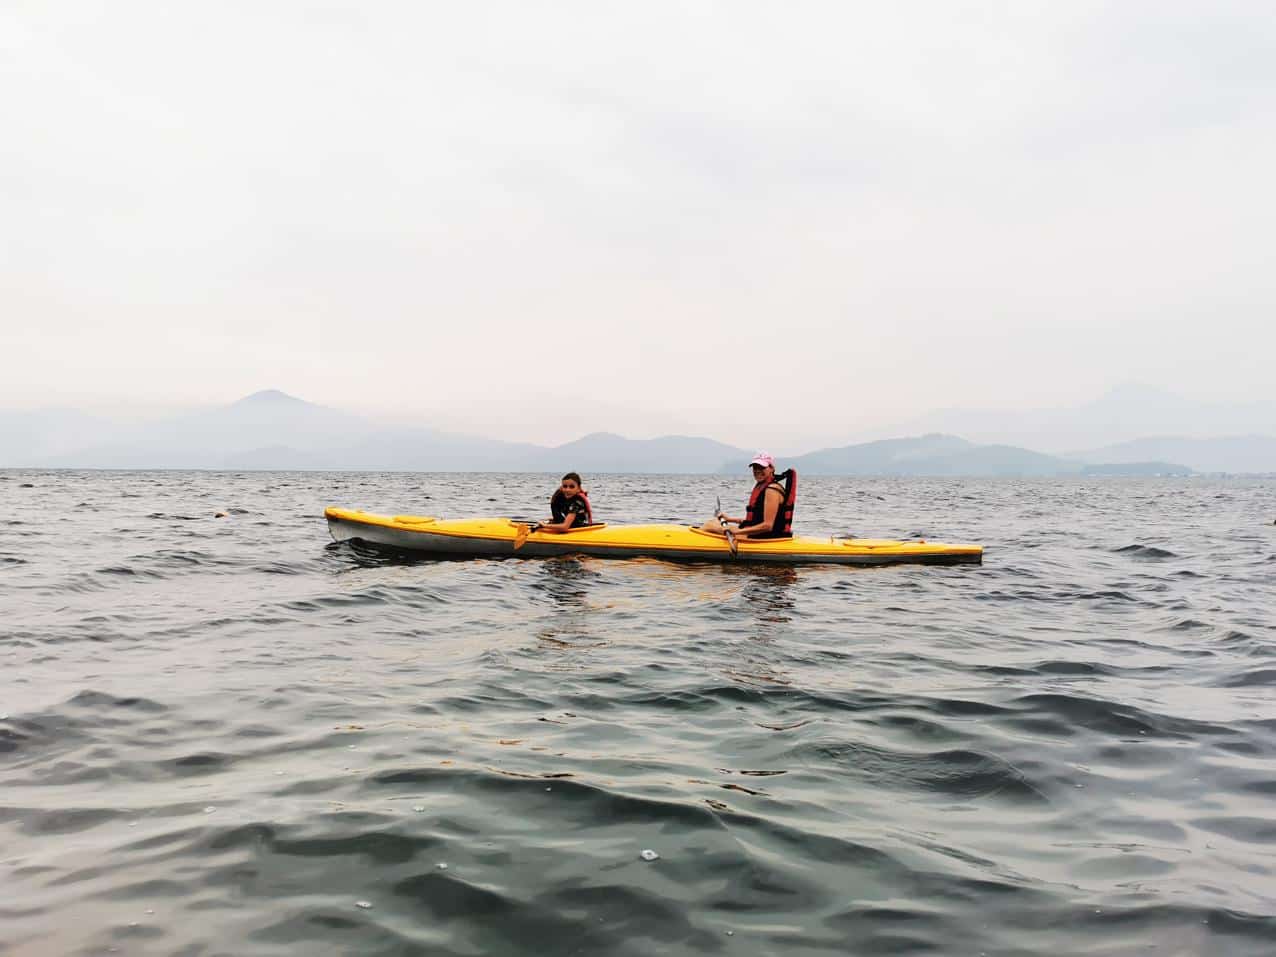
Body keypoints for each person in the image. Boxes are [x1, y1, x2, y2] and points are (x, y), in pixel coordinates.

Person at [704, 452, 797, 539]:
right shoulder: (764, 486)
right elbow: (755, 520)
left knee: (709, 525)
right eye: (755, 468)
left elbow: (768, 526)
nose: (757, 471)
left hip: (766, 537)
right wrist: (730, 519)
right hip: (759, 534)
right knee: (713, 522)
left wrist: (737, 532)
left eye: (762, 467)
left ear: (771, 468)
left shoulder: (771, 491)